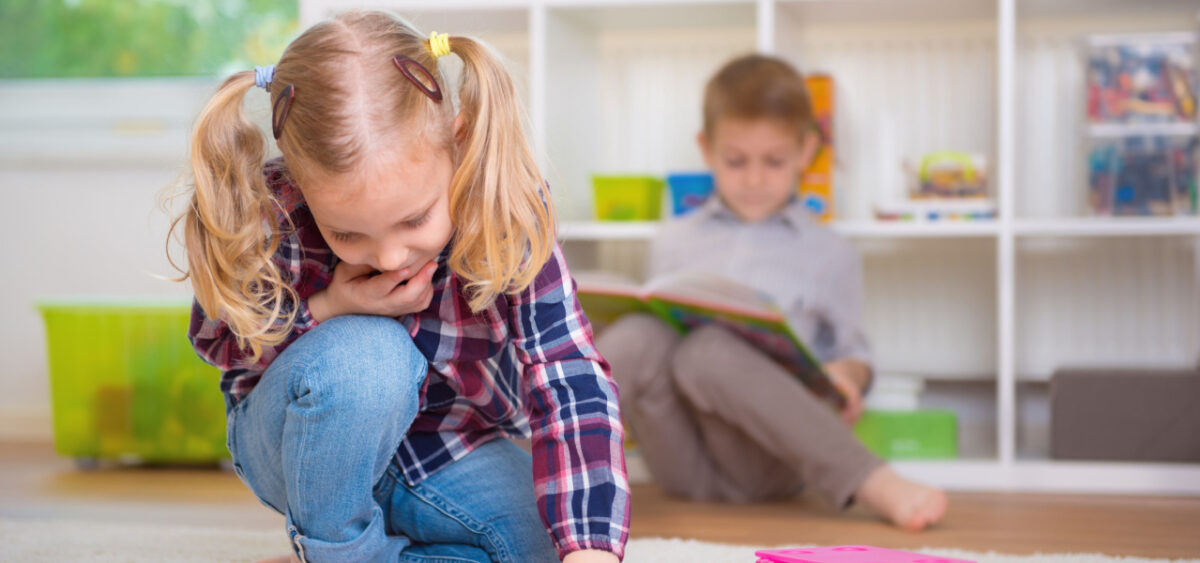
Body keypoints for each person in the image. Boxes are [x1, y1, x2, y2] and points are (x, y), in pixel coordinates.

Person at [168, 10, 628, 563]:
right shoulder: (272, 213)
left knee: (555, 543)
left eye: (414, 221)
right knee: (371, 357)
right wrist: (331, 306)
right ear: (297, 177)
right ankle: (337, 549)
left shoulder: (508, 204)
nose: (388, 256)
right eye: (346, 232)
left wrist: (589, 549)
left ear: (457, 143)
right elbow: (224, 347)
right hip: (298, 446)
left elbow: (567, 371)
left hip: (448, 446)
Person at [596, 54, 945, 532]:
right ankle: (539, 462)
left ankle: (869, 478)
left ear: (805, 152)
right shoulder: (674, 239)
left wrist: (847, 375)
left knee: (708, 352)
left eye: (774, 161)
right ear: (706, 149)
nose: (755, 179)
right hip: (681, 461)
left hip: (766, 462)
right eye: (736, 161)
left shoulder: (829, 252)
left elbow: (854, 351)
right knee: (639, 332)